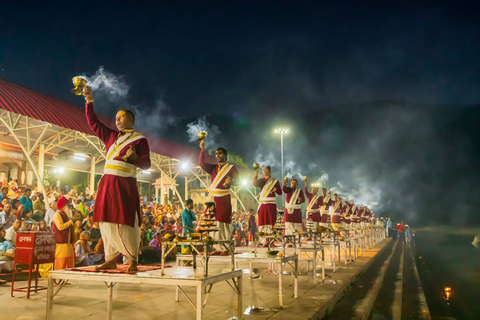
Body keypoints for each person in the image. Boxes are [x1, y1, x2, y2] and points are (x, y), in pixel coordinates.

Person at [83, 86, 151, 272]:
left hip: (125, 183)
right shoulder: (111, 136)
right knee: (106, 221)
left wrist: (134, 158)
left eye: (121, 117)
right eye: (116, 118)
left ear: (131, 119)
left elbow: (147, 165)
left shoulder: (139, 140)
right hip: (107, 182)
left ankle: (133, 258)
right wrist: (89, 100)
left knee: (126, 221)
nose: (117, 120)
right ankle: (111, 258)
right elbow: (93, 122)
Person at [198, 142, 238, 254]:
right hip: (213, 199)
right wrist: (202, 150)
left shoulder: (231, 168)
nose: (217, 155)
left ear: (225, 155)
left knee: (223, 222)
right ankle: (217, 248)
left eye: (220, 153)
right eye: (216, 154)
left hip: (224, 198)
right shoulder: (213, 169)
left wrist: (231, 181)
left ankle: (226, 248)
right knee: (213, 223)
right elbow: (201, 163)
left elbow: (237, 181)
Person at [252, 165, 282, 234]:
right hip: (263, 204)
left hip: (271, 204)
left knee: (271, 221)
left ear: (270, 171)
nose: (264, 171)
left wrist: (276, 189)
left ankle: (270, 240)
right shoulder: (261, 181)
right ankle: (263, 240)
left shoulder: (275, 181)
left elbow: (280, 192)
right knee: (262, 221)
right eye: (263, 170)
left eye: (266, 169)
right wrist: (255, 175)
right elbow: (254, 183)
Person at [52, 196, 75, 270]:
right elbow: (60, 227)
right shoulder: (57, 215)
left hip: (68, 243)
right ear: (63, 206)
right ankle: (59, 278)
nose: (69, 207)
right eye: (68, 205)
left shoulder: (66, 216)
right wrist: (71, 222)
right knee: (61, 262)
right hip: (61, 244)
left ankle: (66, 278)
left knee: (69, 261)